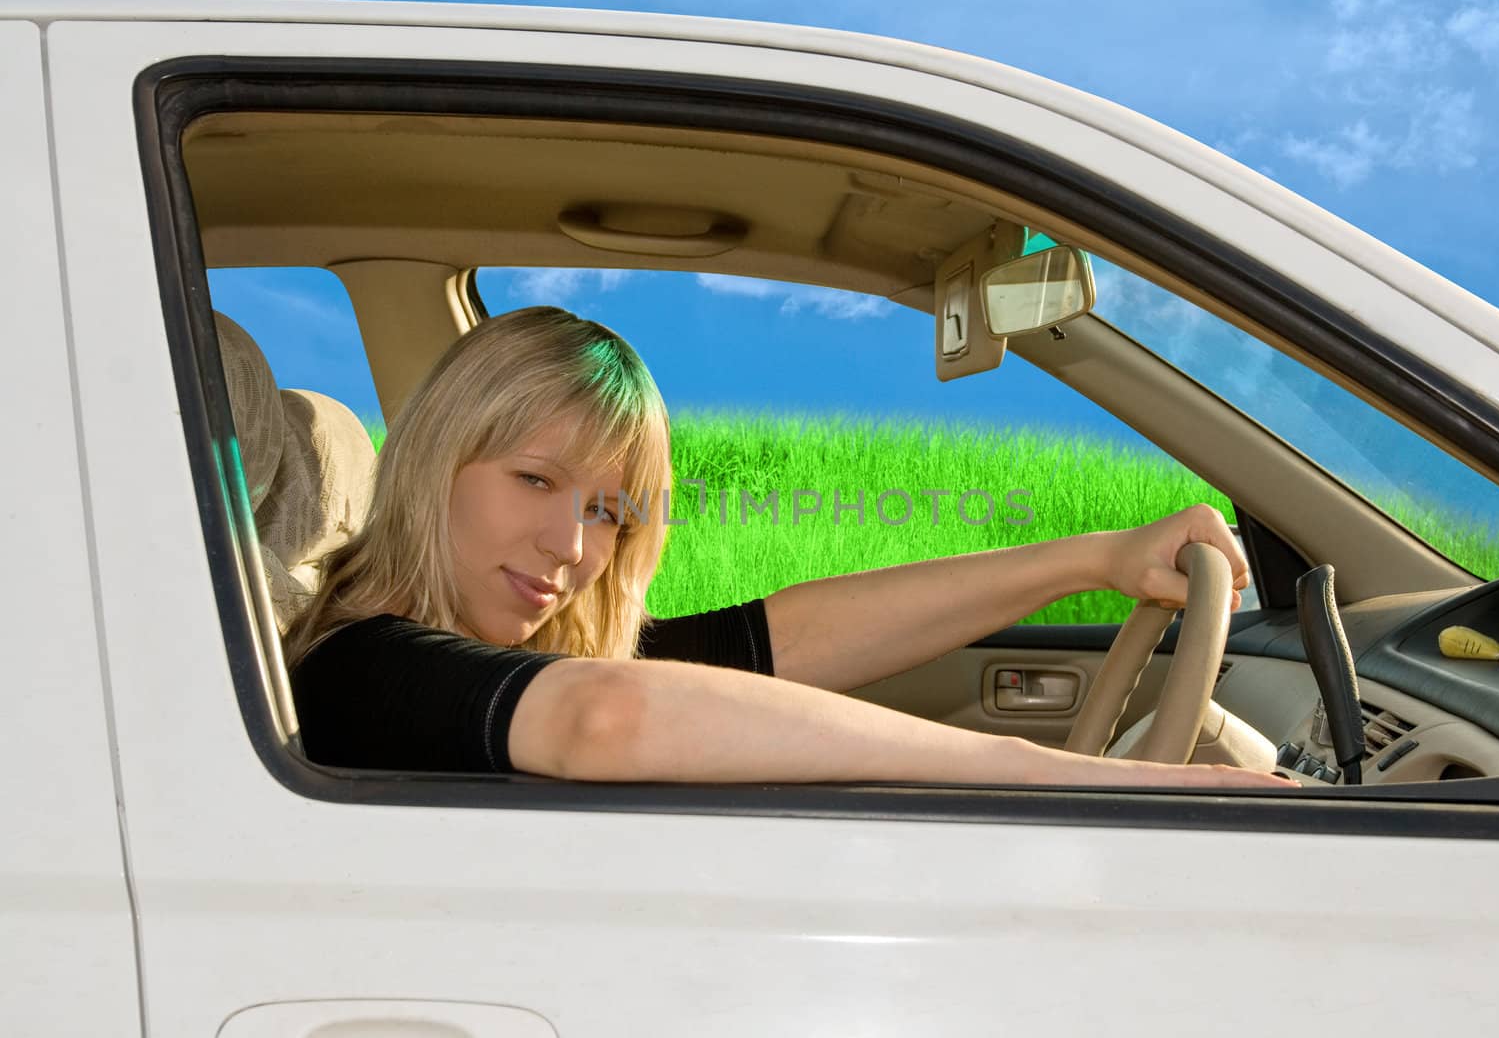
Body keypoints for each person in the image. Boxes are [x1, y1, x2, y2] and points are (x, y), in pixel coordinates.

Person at [284, 306, 1293, 790]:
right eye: (534, 481)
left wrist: (1096, 558)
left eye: (608, 511)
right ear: (434, 461)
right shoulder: (360, 669)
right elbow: (608, 717)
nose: (571, 546)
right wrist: (1064, 776)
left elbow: (779, 641)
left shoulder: (502, 650)